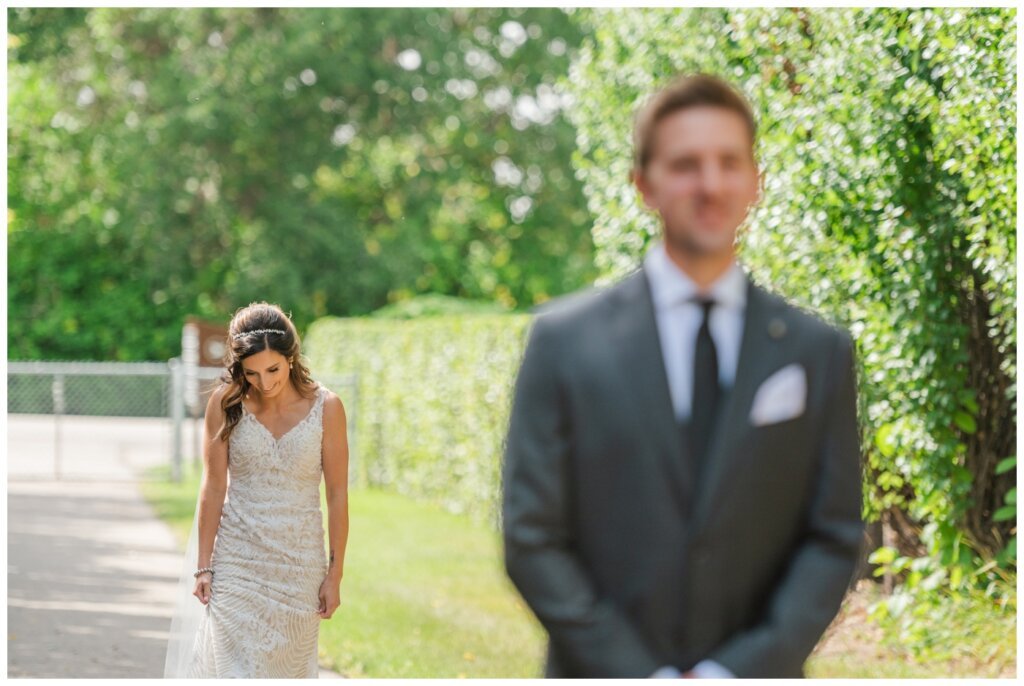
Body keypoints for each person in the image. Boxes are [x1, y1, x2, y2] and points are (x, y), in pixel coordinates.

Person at [501, 73, 864, 678]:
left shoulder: (817, 351)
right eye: (686, 164)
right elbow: (532, 537)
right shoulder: (563, 342)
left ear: (756, 182)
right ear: (644, 184)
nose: (711, 184)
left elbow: (832, 538)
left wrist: (737, 670)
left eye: (729, 162)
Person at [164, 301, 350, 677]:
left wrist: (335, 574)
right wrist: (204, 565)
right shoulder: (226, 402)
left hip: (298, 567)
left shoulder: (327, 407)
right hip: (237, 560)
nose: (264, 383)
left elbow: (337, 495)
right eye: (251, 373)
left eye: (273, 369)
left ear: (291, 357)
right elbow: (214, 486)